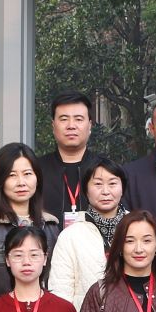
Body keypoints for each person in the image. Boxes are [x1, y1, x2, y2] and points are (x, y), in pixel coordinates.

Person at [0, 143, 63, 304]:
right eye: (12, 175)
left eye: (27, 174)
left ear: (37, 178)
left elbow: (59, 282)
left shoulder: (50, 227)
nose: (21, 182)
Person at [48, 161, 126, 306]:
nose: (105, 191)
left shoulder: (138, 230)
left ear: (123, 188)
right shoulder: (70, 236)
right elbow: (60, 292)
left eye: (112, 183)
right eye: (98, 184)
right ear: (86, 190)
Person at [45, 91, 102, 223]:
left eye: (78, 119)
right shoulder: (36, 171)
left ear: (90, 125)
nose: (71, 126)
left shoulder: (104, 170)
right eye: (64, 119)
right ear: (53, 125)